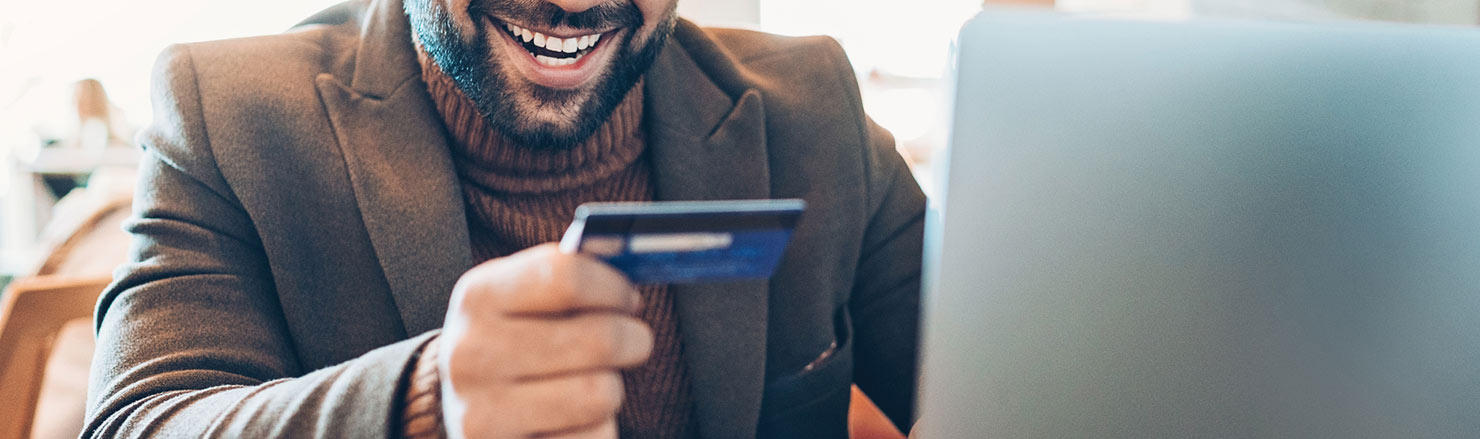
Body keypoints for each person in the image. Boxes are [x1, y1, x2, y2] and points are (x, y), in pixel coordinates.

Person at [84, 0, 926, 437]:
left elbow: (1013, 380)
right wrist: (423, 403)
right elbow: (140, 421)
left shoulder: (815, 108)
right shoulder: (226, 115)